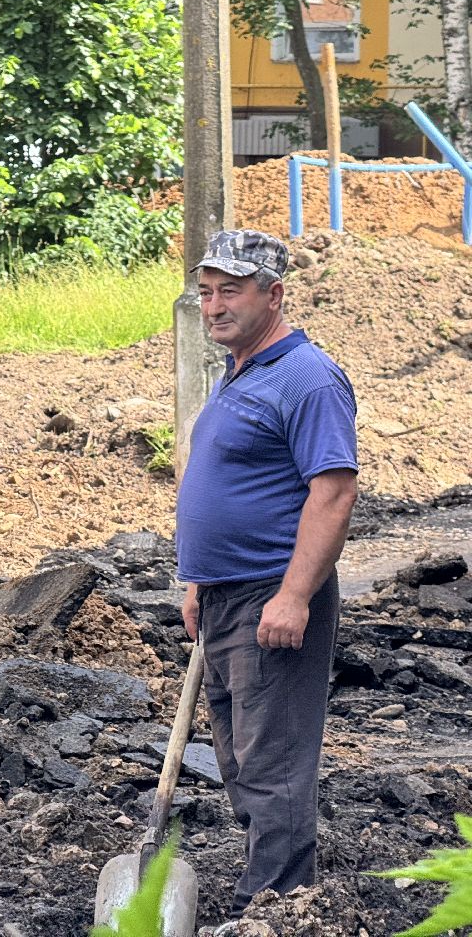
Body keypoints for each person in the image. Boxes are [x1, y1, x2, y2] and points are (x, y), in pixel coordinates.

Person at [177, 229, 358, 918]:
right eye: (206, 292)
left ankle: (277, 908)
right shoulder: (241, 372)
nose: (214, 306)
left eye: (230, 291)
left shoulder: (308, 377)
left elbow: (333, 492)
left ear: (273, 294)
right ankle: (270, 894)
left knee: (273, 761)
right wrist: (198, 580)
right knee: (239, 758)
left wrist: (294, 595)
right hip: (225, 596)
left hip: (269, 594)